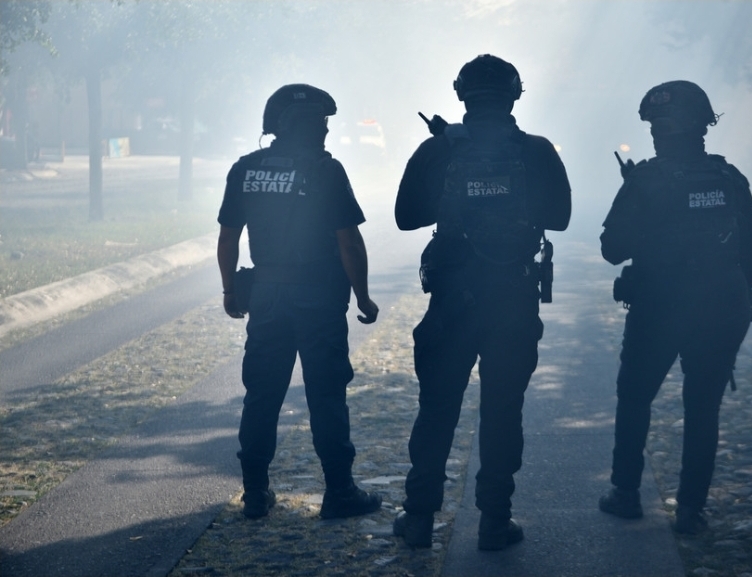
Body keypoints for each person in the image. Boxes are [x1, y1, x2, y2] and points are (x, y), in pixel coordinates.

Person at [392, 54, 571, 551]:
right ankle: (495, 521)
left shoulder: (438, 150)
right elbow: (560, 218)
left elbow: (406, 217)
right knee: (502, 411)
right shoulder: (536, 151)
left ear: (461, 95)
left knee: (437, 409)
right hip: (513, 299)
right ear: (515, 95)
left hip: (452, 301)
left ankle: (419, 518)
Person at [597, 81, 752, 535]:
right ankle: (691, 510)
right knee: (703, 407)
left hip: (658, 308)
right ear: (703, 126)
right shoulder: (728, 178)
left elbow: (612, 249)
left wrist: (639, 205)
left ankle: (625, 493)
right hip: (722, 308)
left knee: (635, 398)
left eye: (659, 125)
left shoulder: (645, 180)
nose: (656, 133)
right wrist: (743, 290)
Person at [216, 83, 382, 521]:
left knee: (262, 394)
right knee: (326, 395)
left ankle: (255, 493)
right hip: (319, 300)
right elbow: (349, 242)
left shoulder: (246, 169)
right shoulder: (326, 171)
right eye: (320, 122)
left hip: (267, 298)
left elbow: (228, 238)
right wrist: (363, 296)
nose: (326, 130)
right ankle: (340, 492)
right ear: (302, 125)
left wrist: (230, 291)